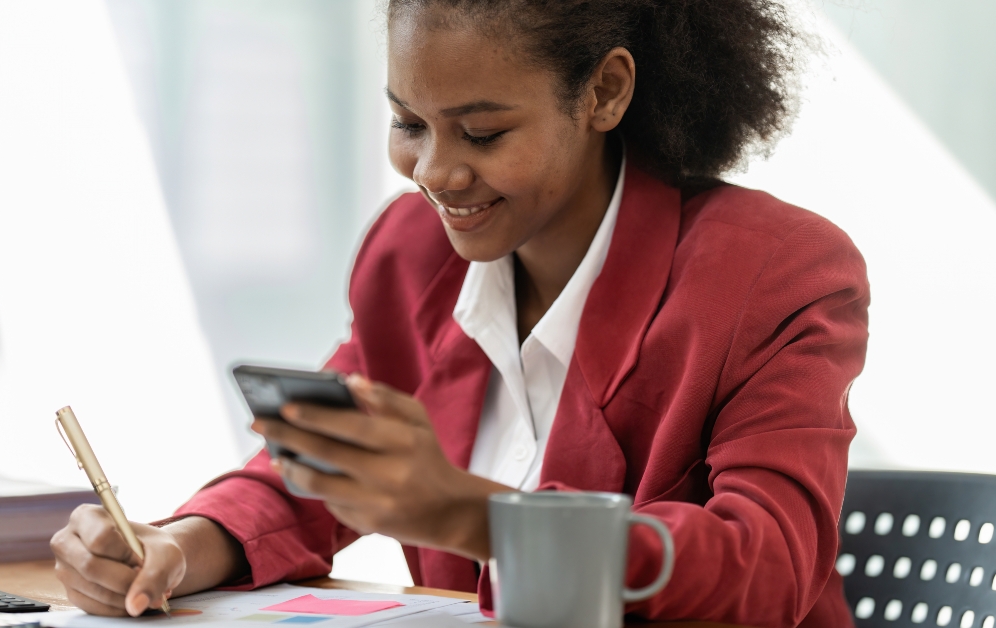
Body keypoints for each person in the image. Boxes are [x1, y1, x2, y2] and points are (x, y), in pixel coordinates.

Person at [49, 0, 869, 625]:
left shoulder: (774, 273)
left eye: (480, 133)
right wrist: (180, 545)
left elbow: (768, 566)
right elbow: (322, 475)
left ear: (605, 92)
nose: (434, 172)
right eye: (409, 123)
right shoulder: (411, 255)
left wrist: (475, 517)